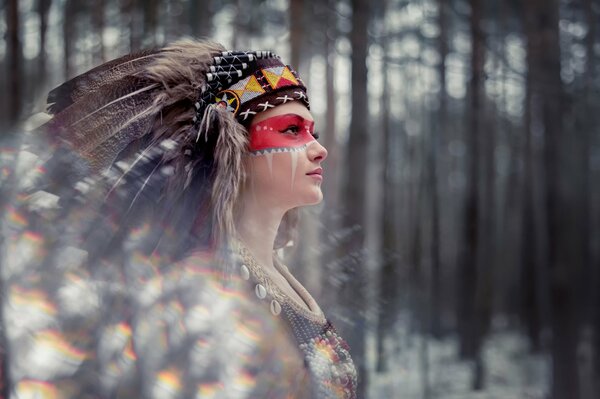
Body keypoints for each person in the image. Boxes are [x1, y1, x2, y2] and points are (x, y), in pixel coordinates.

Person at [0, 39, 356, 398]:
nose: (318, 148)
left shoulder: (279, 279)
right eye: (292, 130)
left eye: (314, 132)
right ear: (232, 145)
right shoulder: (203, 291)